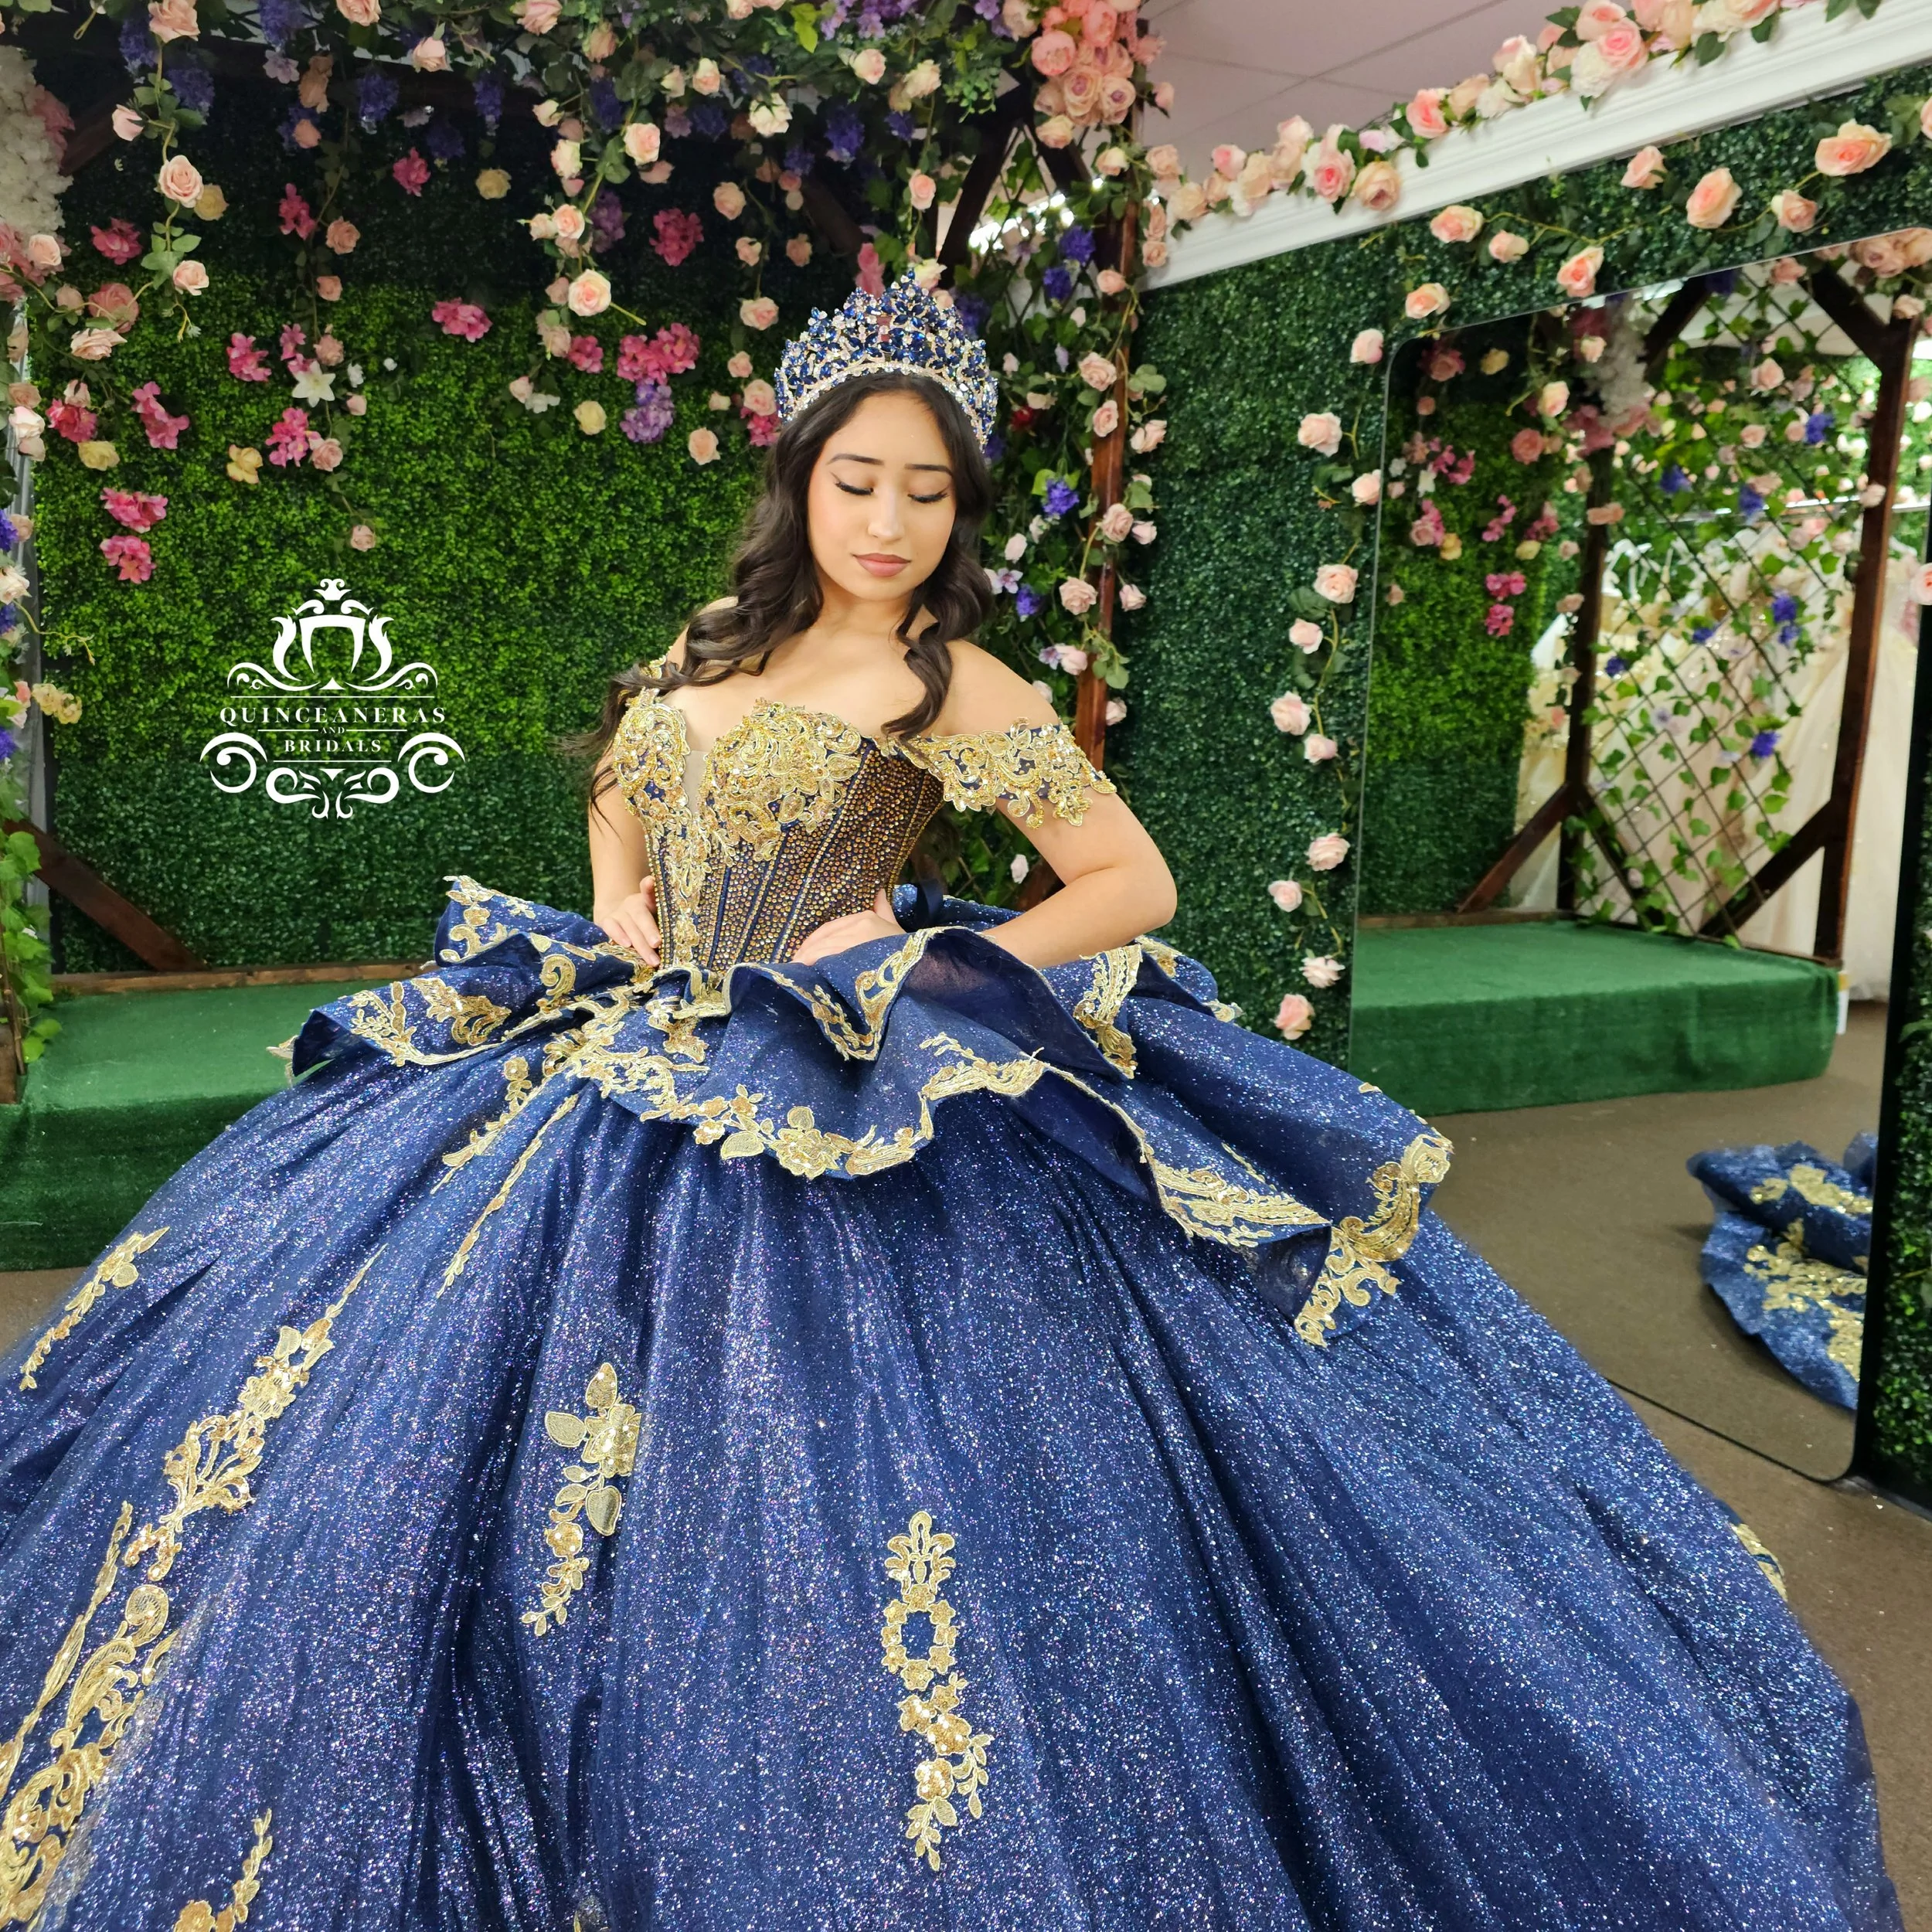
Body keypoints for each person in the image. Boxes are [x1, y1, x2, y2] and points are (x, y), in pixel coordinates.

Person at [0, 270, 1900, 1932]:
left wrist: (914, 960)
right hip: (621, 1048)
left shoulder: (953, 682)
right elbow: (617, 778)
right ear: (798, 479)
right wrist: (618, 908)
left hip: (834, 1077)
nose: (890, 517)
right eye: (857, 478)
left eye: (926, 488)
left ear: (958, 506)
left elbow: (1132, 883)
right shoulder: (710, 651)